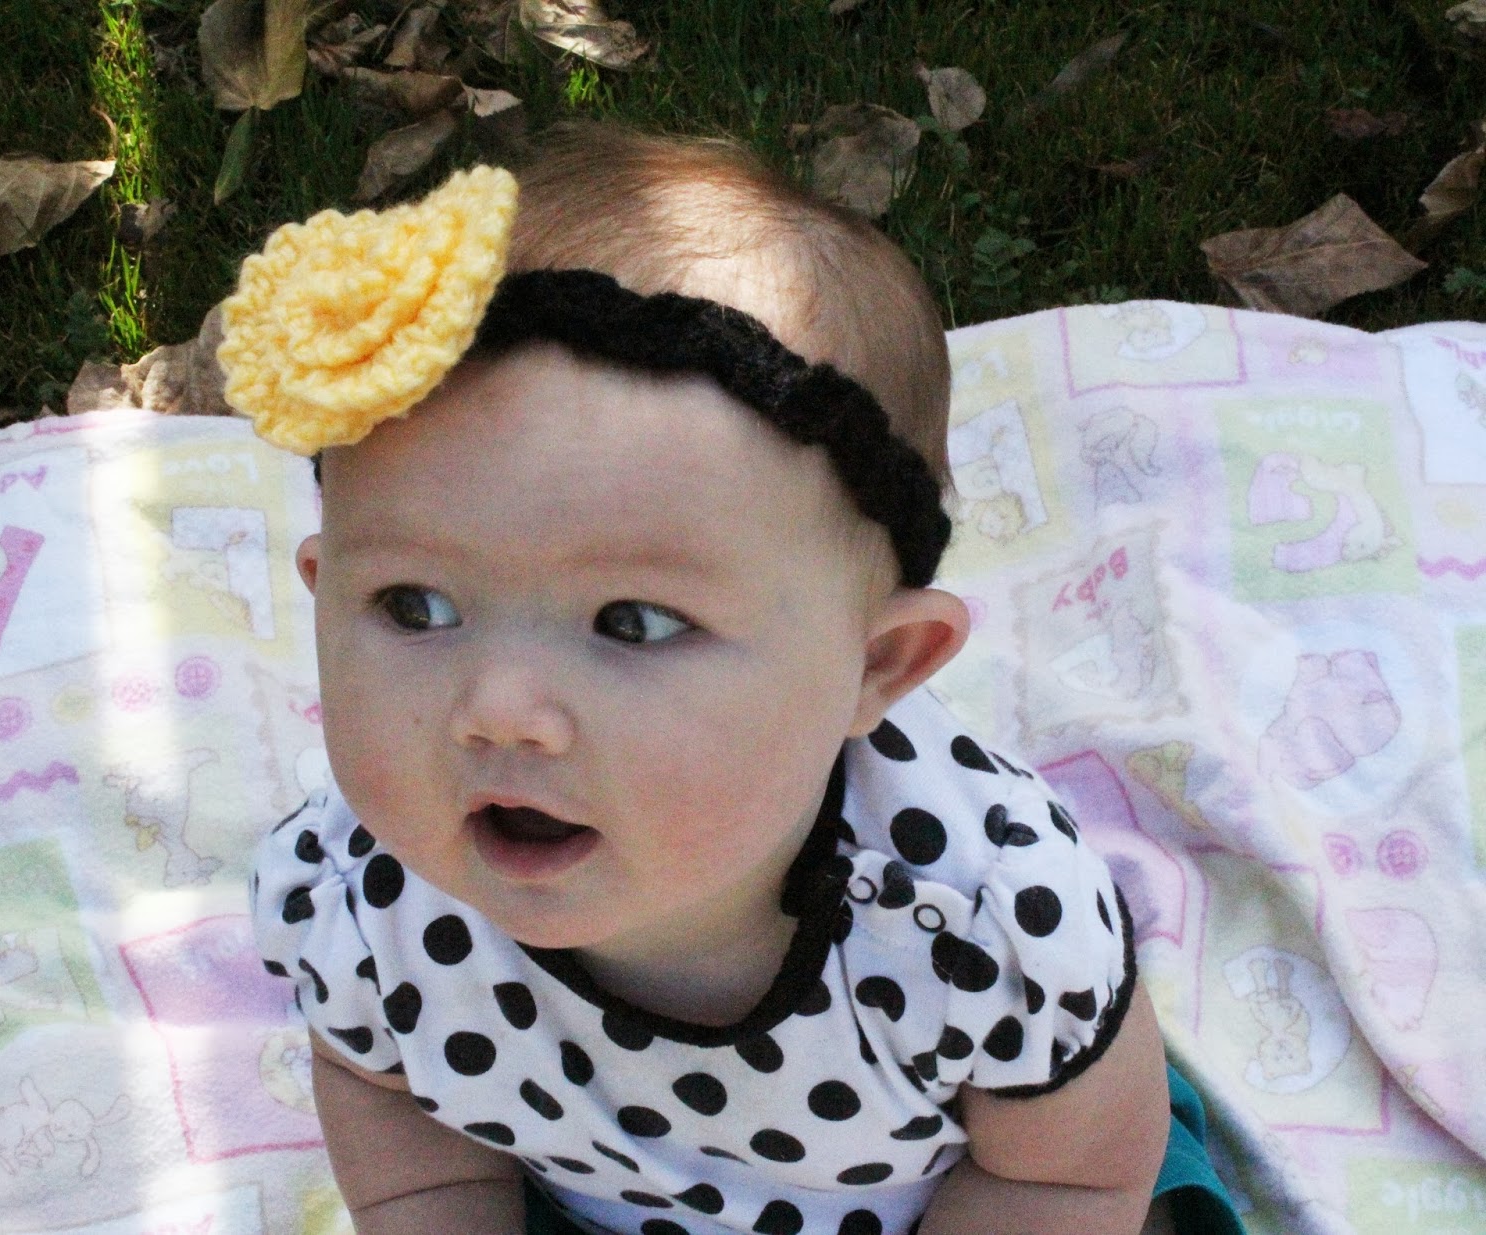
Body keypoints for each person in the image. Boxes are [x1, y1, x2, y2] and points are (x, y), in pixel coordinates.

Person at [227, 124, 1241, 1235]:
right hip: (590, 1189)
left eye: (634, 622)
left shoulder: (981, 922)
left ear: (877, 666)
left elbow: (1066, 1174)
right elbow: (389, 1104)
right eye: (413, 606)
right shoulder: (367, 900)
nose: (497, 710)